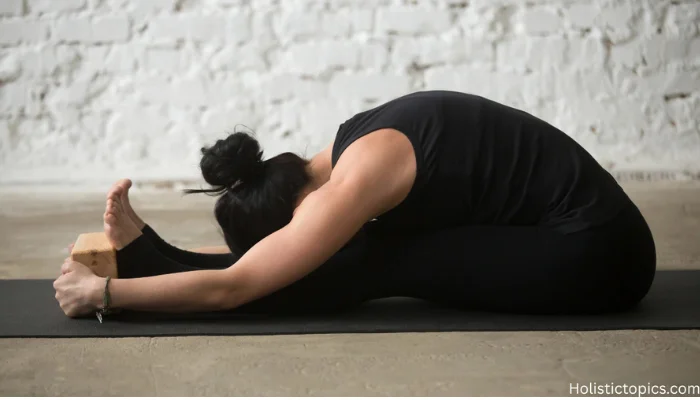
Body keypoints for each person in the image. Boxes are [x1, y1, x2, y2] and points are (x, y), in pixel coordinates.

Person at [53, 90, 657, 318]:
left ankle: (152, 265)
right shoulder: (339, 150)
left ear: (294, 212)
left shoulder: (356, 181)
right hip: (576, 232)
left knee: (377, 262)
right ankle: (160, 256)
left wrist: (107, 294)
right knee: (370, 251)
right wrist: (162, 250)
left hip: (600, 256)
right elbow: (260, 261)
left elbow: (236, 285)